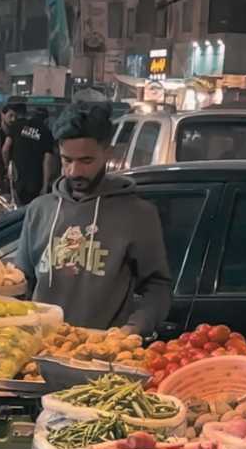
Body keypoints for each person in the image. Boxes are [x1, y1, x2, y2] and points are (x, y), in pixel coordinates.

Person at [17, 107, 172, 336]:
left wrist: (135, 327)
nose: (74, 171)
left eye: (86, 160)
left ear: (107, 153)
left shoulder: (138, 214)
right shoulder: (40, 210)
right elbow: (21, 281)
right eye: (67, 160)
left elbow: (158, 287)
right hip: (40, 349)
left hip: (101, 353)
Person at [6, 110, 51, 202]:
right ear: (46, 120)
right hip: (35, 180)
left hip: (16, 177)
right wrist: (45, 186)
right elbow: (47, 161)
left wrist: (7, 167)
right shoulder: (46, 131)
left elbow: (5, 149)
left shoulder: (17, 125)